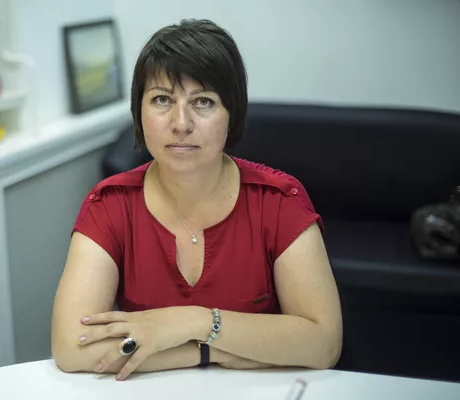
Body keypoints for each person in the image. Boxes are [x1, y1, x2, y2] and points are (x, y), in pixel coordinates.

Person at [51, 18, 342, 381]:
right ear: (139, 112)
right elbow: (71, 347)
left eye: (203, 101)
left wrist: (195, 322)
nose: (181, 123)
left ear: (232, 114)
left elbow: (323, 344)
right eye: (162, 100)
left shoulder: (279, 201)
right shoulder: (110, 205)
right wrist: (206, 351)